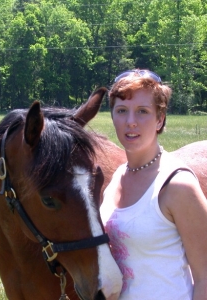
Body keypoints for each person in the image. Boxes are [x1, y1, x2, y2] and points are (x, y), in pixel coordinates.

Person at [100, 69, 207, 299]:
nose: (130, 122)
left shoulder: (177, 184)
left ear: (160, 119)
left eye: (142, 111)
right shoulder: (115, 181)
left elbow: (205, 277)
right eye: (121, 111)